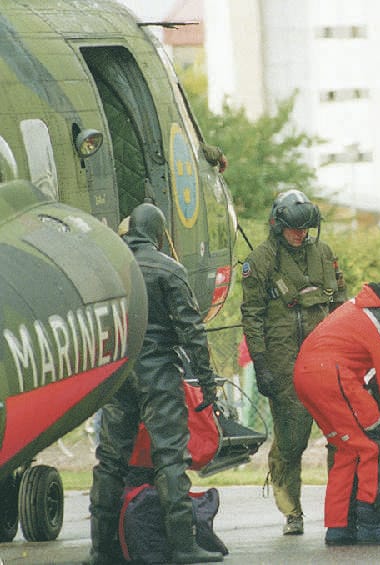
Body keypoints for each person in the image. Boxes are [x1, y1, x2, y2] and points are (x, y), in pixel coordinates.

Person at [87, 203, 222, 564]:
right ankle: (182, 546)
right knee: (170, 458)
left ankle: (101, 549)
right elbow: (192, 332)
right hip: (159, 372)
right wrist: (207, 384)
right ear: (160, 234)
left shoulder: (107, 267)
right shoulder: (168, 269)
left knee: (110, 461)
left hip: (117, 372)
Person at [293, 276, 380, 546]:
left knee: (349, 448)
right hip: (332, 375)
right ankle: (373, 524)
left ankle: (340, 527)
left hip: (307, 376)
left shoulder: (365, 307)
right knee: (375, 444)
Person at [241, 190, 346, 535]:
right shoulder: (262, 260)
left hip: (324, 363)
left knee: (340, 437)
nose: (300, 235)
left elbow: (341, 307)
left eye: (305, 229)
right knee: (290, 442)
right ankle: (292, 511)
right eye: (294, 229)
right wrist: (261, 363)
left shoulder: (324, 254)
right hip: (284, 365)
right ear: (279, 226)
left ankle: (342, 509)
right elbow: (252, 316)